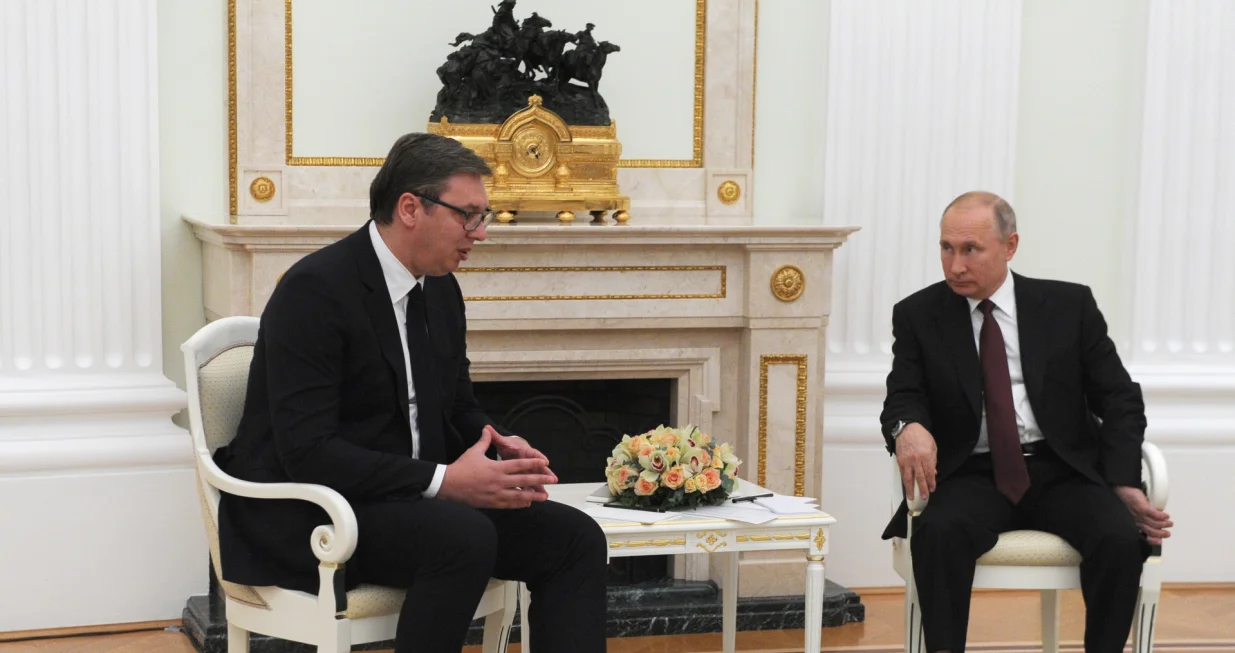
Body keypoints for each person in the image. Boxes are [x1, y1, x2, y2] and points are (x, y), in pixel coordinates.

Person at [213, 133, 608, 653]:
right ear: (410, 209)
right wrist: (446, 481)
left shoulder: (440, 287)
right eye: (469, 215)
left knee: (575, 538)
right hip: (321, 510)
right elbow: (308, 452)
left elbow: (458, 405)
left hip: (412, 497)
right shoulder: (315, 290)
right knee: (462, 537)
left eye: (483, 216)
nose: (481, 234)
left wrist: (502, 446)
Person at [879, 191, 1173, 653]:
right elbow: (904, 395)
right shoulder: (919, 314)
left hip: (1061, 470)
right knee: (937, 534)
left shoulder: (1068, 307)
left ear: (1010, 245)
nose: (955, 265)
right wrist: (907, 428)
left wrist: (1123, 481)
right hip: (970, 473)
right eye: (946, 248)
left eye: (970, 249)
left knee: (1118, 537)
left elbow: (1119, 398)